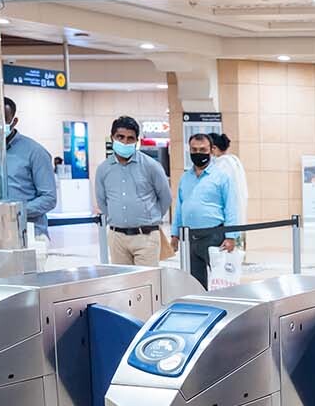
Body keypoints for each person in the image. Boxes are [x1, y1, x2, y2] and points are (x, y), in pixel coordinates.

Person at [94, 115, 173, 267]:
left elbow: (165, 198)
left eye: (130, 138)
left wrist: (149, 218)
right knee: (123, 284)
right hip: (117, 237)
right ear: (112, 138)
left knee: (148, 283)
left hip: (146, 236)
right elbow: (102, 202)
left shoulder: (151, 166)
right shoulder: (103, 169)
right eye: (120, 137)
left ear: (137, 141)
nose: (125, 142)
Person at [173, 133, 238, 288]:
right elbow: (179, 207)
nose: (198, 153)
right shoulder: (185, 177)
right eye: (194, 150)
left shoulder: (221, 177)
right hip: (190, 237)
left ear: (211, 150)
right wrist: (175, 233)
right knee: (195, 282)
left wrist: (231, 236)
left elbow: (231, 207)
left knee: (220, 281)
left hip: (214, 236)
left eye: (203, 149)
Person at [0, 96, 57, 243]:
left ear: (14, 121)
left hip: (29, 234)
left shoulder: (35, 152)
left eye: (2, 119)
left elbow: (49, 198)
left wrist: (14, 212)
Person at [207, 133, 249, 226]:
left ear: (213, 148)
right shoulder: (233, 160)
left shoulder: (222, 164)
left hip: (226, 209)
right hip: (237, 207)